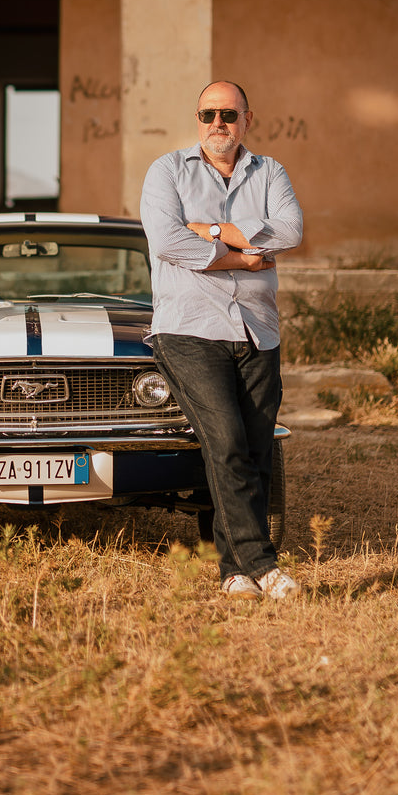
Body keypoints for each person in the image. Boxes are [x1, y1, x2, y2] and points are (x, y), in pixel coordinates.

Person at [139, 80, 303, 600]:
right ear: (197, 118)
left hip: (257, 328)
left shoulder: (270, 171)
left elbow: (292, 230)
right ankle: (263, 564)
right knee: (226, 441)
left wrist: (212, 230)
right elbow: (166, 241)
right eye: (209, 114)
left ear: (247, 119)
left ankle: (234, 572)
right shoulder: (166, 170)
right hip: (189, 327)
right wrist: (244, 254)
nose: (218, 124)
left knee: (255, 449)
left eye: (229, 114)